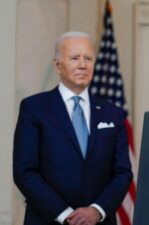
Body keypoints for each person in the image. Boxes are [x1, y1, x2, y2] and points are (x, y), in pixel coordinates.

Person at [13, 32, 133, 225]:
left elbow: (123, 172)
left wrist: (96, 210)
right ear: (58, 65)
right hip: (48, 219)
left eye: (88, 58)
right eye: (74, 58)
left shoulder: (113, 113)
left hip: (99, 221)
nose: (82, 65)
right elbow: (25, 172)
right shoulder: (34, 108)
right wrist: (66, 215)